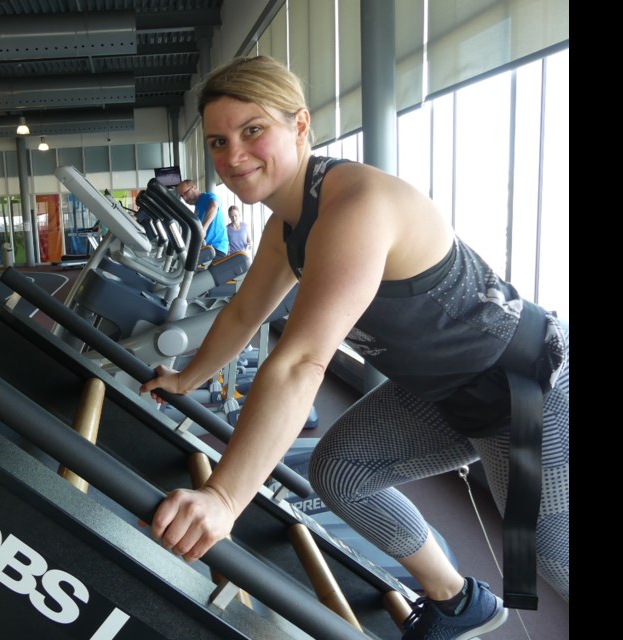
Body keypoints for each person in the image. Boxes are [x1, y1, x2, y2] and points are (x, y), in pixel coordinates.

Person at [140, 56, 568, 640]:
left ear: (300, 125)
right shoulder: (286, 226)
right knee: (341, 469)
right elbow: (244, 312)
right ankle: (459, 602)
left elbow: (301, 361)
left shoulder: (355, 205)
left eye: (253, 130)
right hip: (445, 392)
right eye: (219, 140)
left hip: (527, 385)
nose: (233, 155)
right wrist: (187, 379)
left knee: (557, 558)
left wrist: (223, 496)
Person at [177, 178, 229, 258]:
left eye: (186, 193)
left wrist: (203, 229)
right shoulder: (197, 207)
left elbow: (214, 206)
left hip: (216, 248)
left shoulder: (207, 196)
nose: (184, 198)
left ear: (194, 187)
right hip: (206, 248)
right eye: (181, 196)